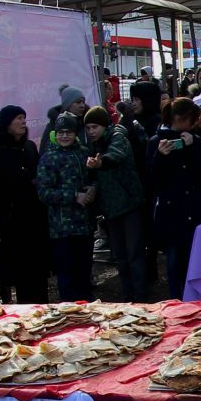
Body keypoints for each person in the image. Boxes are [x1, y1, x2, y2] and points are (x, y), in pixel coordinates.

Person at [149, 98, 201, 300]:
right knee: (174, 260)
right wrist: (161, 156)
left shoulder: (195, 139)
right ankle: (176, 298)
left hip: (194, 210)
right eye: (189, 119)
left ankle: (197, 299)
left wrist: (194, 146)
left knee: (194, 259)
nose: (192, 123)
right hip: (172, 211)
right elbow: (153, 179)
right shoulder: (156, 141)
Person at [0, 107, 48, 303]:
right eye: (19, 118)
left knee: (39, 274)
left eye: (24, 117)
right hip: (12, 223)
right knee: (22, 277)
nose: (23, 122)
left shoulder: (29, 147)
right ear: (7, 123)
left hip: (34, 219)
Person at [81, 106, 144, 301]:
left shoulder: (118, 136)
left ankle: (140, 296)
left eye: (94, 127)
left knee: (134, 254)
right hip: (111, 208)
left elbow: (116, 155)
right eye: (88, 128)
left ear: (104, 125)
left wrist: (100, 163)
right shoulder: (94, 144)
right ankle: (128, 296)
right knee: (120, 255)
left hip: (129, 204)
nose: (91, 131)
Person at [38, 113, 97, 301]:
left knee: (84, 275)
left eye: (69, 132)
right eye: (61, 132)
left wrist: (93, 189)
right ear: (56, 133)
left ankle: (87, 314)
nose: (65, 136)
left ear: (75, 133)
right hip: (61, 229)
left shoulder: (83, 152)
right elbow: (44, 192)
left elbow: (94, 177)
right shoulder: (49, 157)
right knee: (66, 278)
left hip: (84, 225)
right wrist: (73, 197)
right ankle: (70, 318)